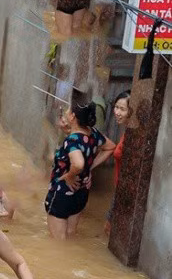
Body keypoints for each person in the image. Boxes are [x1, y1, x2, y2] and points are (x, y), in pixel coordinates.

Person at [44, 98, 115, 240]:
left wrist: (70, 176)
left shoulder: (72, 141)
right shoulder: (93, 133)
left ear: (73, 117)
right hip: (81, 193)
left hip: (62, 193)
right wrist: (90, 167)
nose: (66, 112)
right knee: (70, 234)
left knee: (58, 242)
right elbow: (111, 146)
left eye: (69, 110)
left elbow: (78, 164)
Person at [105, 90, 131, 236]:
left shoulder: (132, 136)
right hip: (118, 189)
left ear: (131, 111)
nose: (117, 112)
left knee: (109, 230)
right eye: (116, 107)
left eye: (122, 109)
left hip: (123, 192)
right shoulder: (127, 132)